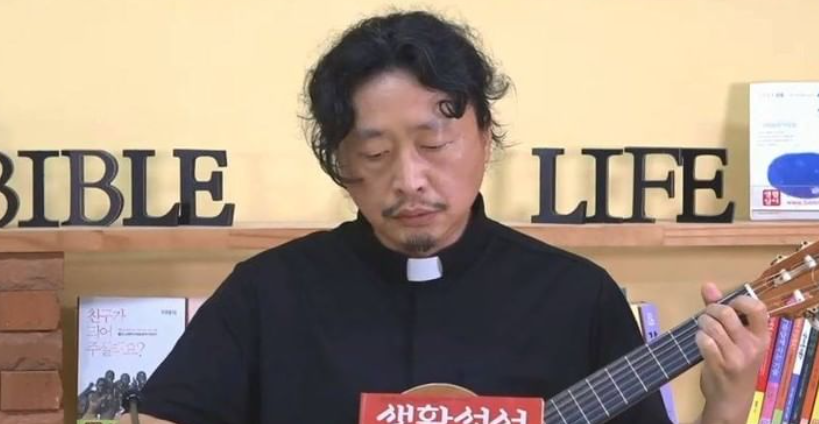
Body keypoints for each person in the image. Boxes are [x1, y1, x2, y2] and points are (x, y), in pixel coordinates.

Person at [122, 10, 769, 424]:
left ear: (485, 137)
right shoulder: (266, 294)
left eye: (434, 143)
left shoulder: (579, 298)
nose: (409, 179)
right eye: (375, 153)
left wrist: (726, 402)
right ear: (341, 164)